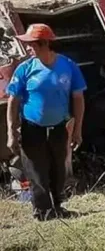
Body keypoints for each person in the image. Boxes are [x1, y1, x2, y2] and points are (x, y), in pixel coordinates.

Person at [5, 23, 86, 221]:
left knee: (59, 168)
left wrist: (77, 130)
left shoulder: (68, 66)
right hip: (32, 128)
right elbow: (13, 101)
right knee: (36, 171)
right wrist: (11, 131)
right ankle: (42, 211)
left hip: (59, 128)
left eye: (31, 44)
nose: (28, 48)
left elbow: (78, 98)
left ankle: (58, 207)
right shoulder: (24, 69)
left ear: (42, 44)